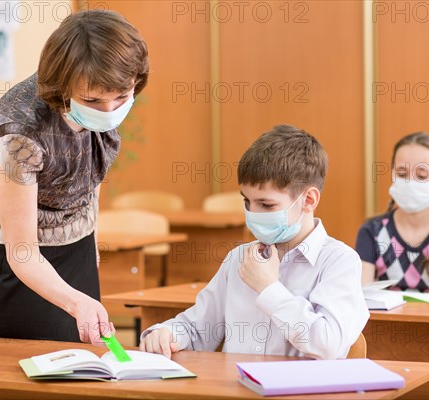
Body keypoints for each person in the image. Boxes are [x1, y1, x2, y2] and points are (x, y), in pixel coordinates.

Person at [0, 10, 149, 344]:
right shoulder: (20, 129)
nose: (109, 111)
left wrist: (90, 249)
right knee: (32, 366)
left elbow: (89, 180)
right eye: (93, 101)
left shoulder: (104, 99)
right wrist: (74, 299)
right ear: (63, 86)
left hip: (76, 243)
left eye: (122, 97)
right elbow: (22, 251)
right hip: (18, 258)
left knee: (87, 357)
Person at [139, 125, 369, 359]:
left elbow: (328, 345)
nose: (253, 213)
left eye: (266, 205)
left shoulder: (339, 261)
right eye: (247, 202)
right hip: (236, 388)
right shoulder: (239, 259)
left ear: (308, 200)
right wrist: (167, 332)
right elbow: (199, 328)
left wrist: (268, 288)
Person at [355, 132, 429, 296]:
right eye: (402, 174)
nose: (409, 182)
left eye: (421, 175)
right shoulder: (371, 232)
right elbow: (361, 297)